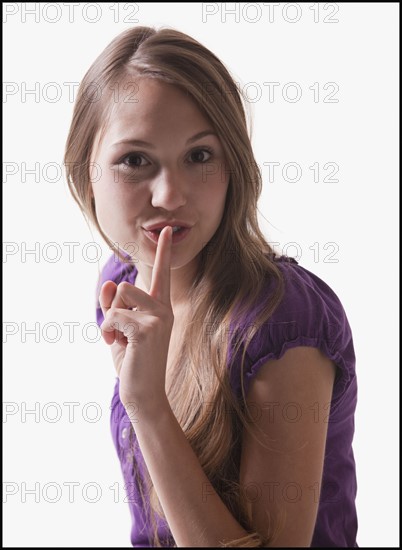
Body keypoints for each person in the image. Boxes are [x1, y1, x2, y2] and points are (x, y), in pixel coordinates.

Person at [64, 26, 358, 547]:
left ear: (233, 167)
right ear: (88, 173)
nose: (171, 195)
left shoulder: (284, 320)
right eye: (135, 160)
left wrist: (147, 406)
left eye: (200, 156)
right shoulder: (121, 285)